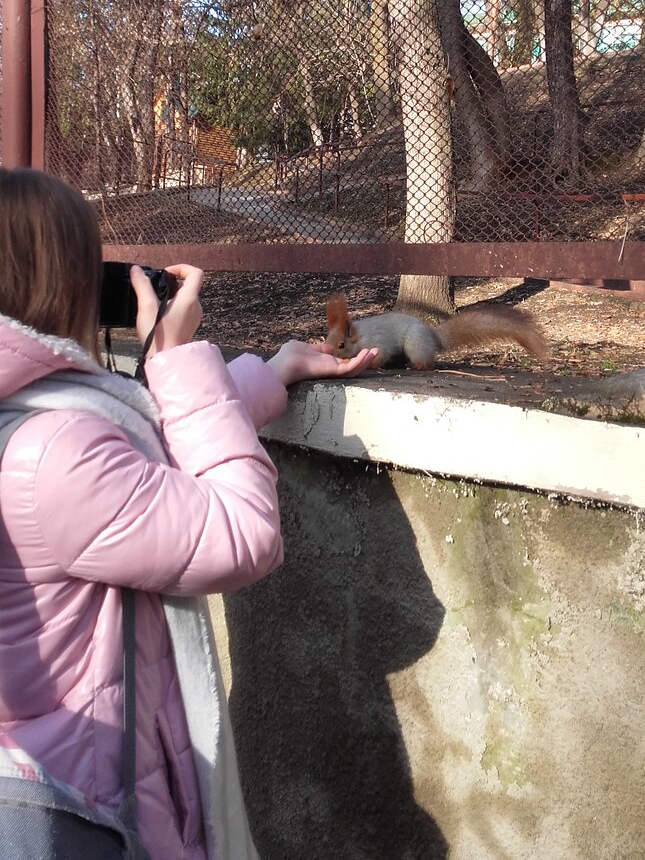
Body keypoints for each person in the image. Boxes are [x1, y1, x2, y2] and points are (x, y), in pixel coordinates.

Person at [0, 166, 378, 860]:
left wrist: (269, 370)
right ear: (54, 281)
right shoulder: (52, 452)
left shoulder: (28, 426)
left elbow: (138, 477)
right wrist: (174, 357)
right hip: (81, 808)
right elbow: (241, 533)